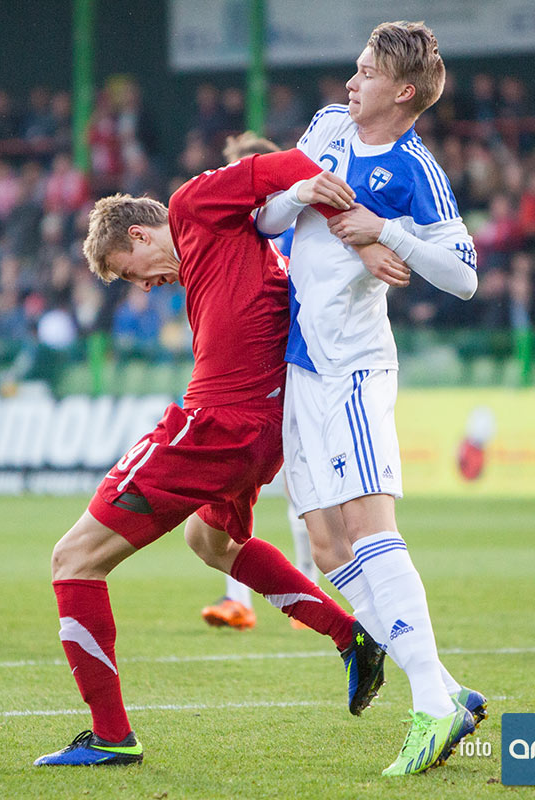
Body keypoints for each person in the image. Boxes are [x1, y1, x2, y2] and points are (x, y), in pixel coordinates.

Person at [35, 147, 391, 767]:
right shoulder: (220, 253)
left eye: (130, 272)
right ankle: (349, 637)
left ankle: (111, 736)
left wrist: (350, 221)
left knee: (73, 559)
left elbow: (288, 163)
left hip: (218, 425)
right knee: (211, 541)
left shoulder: (192, 206)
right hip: (263, 432)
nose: (144, 286)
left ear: (140, 234)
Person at [255, 21, 485, 776]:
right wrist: (301, 194)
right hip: (301, 364)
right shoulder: (326, 126)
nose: (350, 83)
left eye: (365, 73)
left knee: (368, 526)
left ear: (403, 91)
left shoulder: (416, 170)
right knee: (326, 547)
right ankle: (448, 689)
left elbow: (464, 276)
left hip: (353, 369)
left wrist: (388, 231)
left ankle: (430, 703)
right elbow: (265, 219)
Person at [199, 132, 321, 632]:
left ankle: (308, 585)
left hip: (300, 368)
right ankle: (239, 600)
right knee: (225, 485)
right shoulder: (239, 232)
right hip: (253, 378)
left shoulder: (295, 225)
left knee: (301, 487)